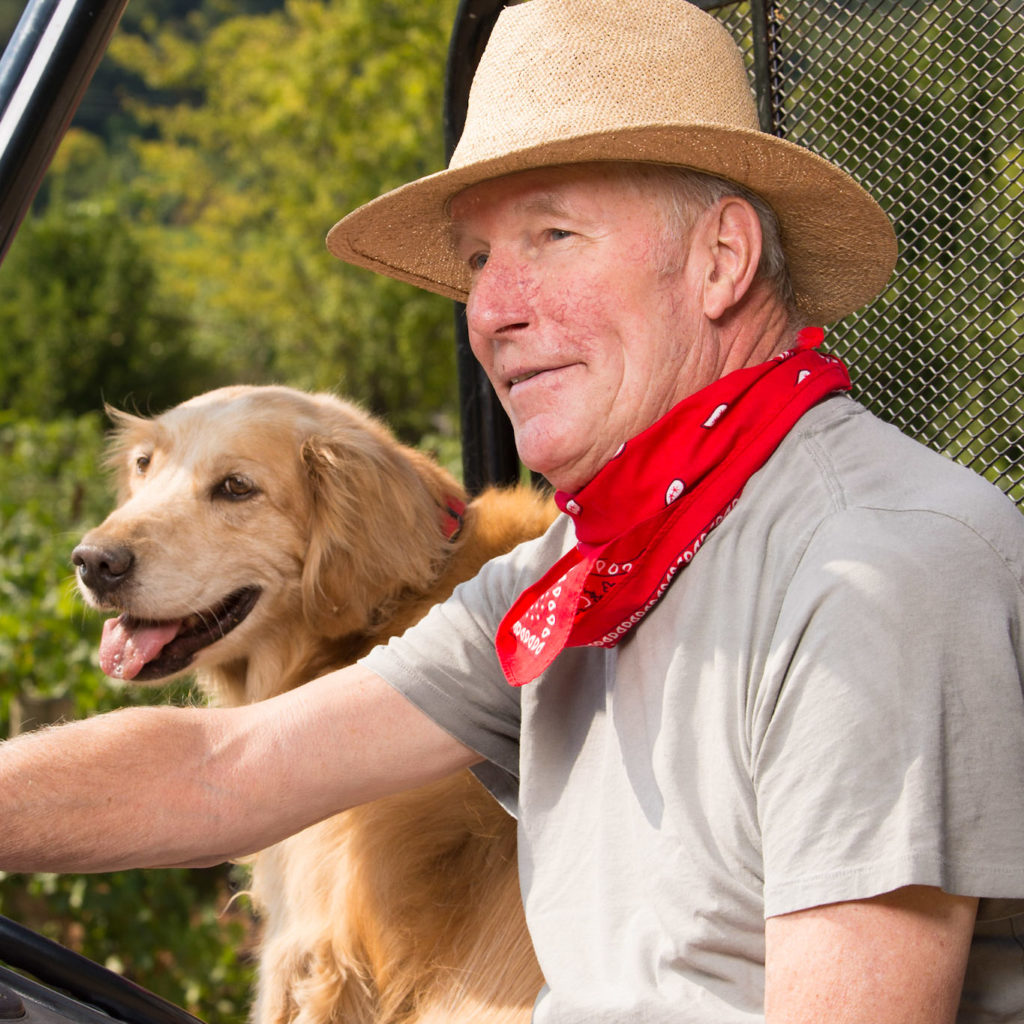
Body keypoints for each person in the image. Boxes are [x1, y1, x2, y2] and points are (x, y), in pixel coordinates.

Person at [2, 0, 1023, 1019]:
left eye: (553, 236)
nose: (489, 310)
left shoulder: (877, 572)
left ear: (721, 260)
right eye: (480, 259)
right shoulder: (589, 564)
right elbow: (227, 767)